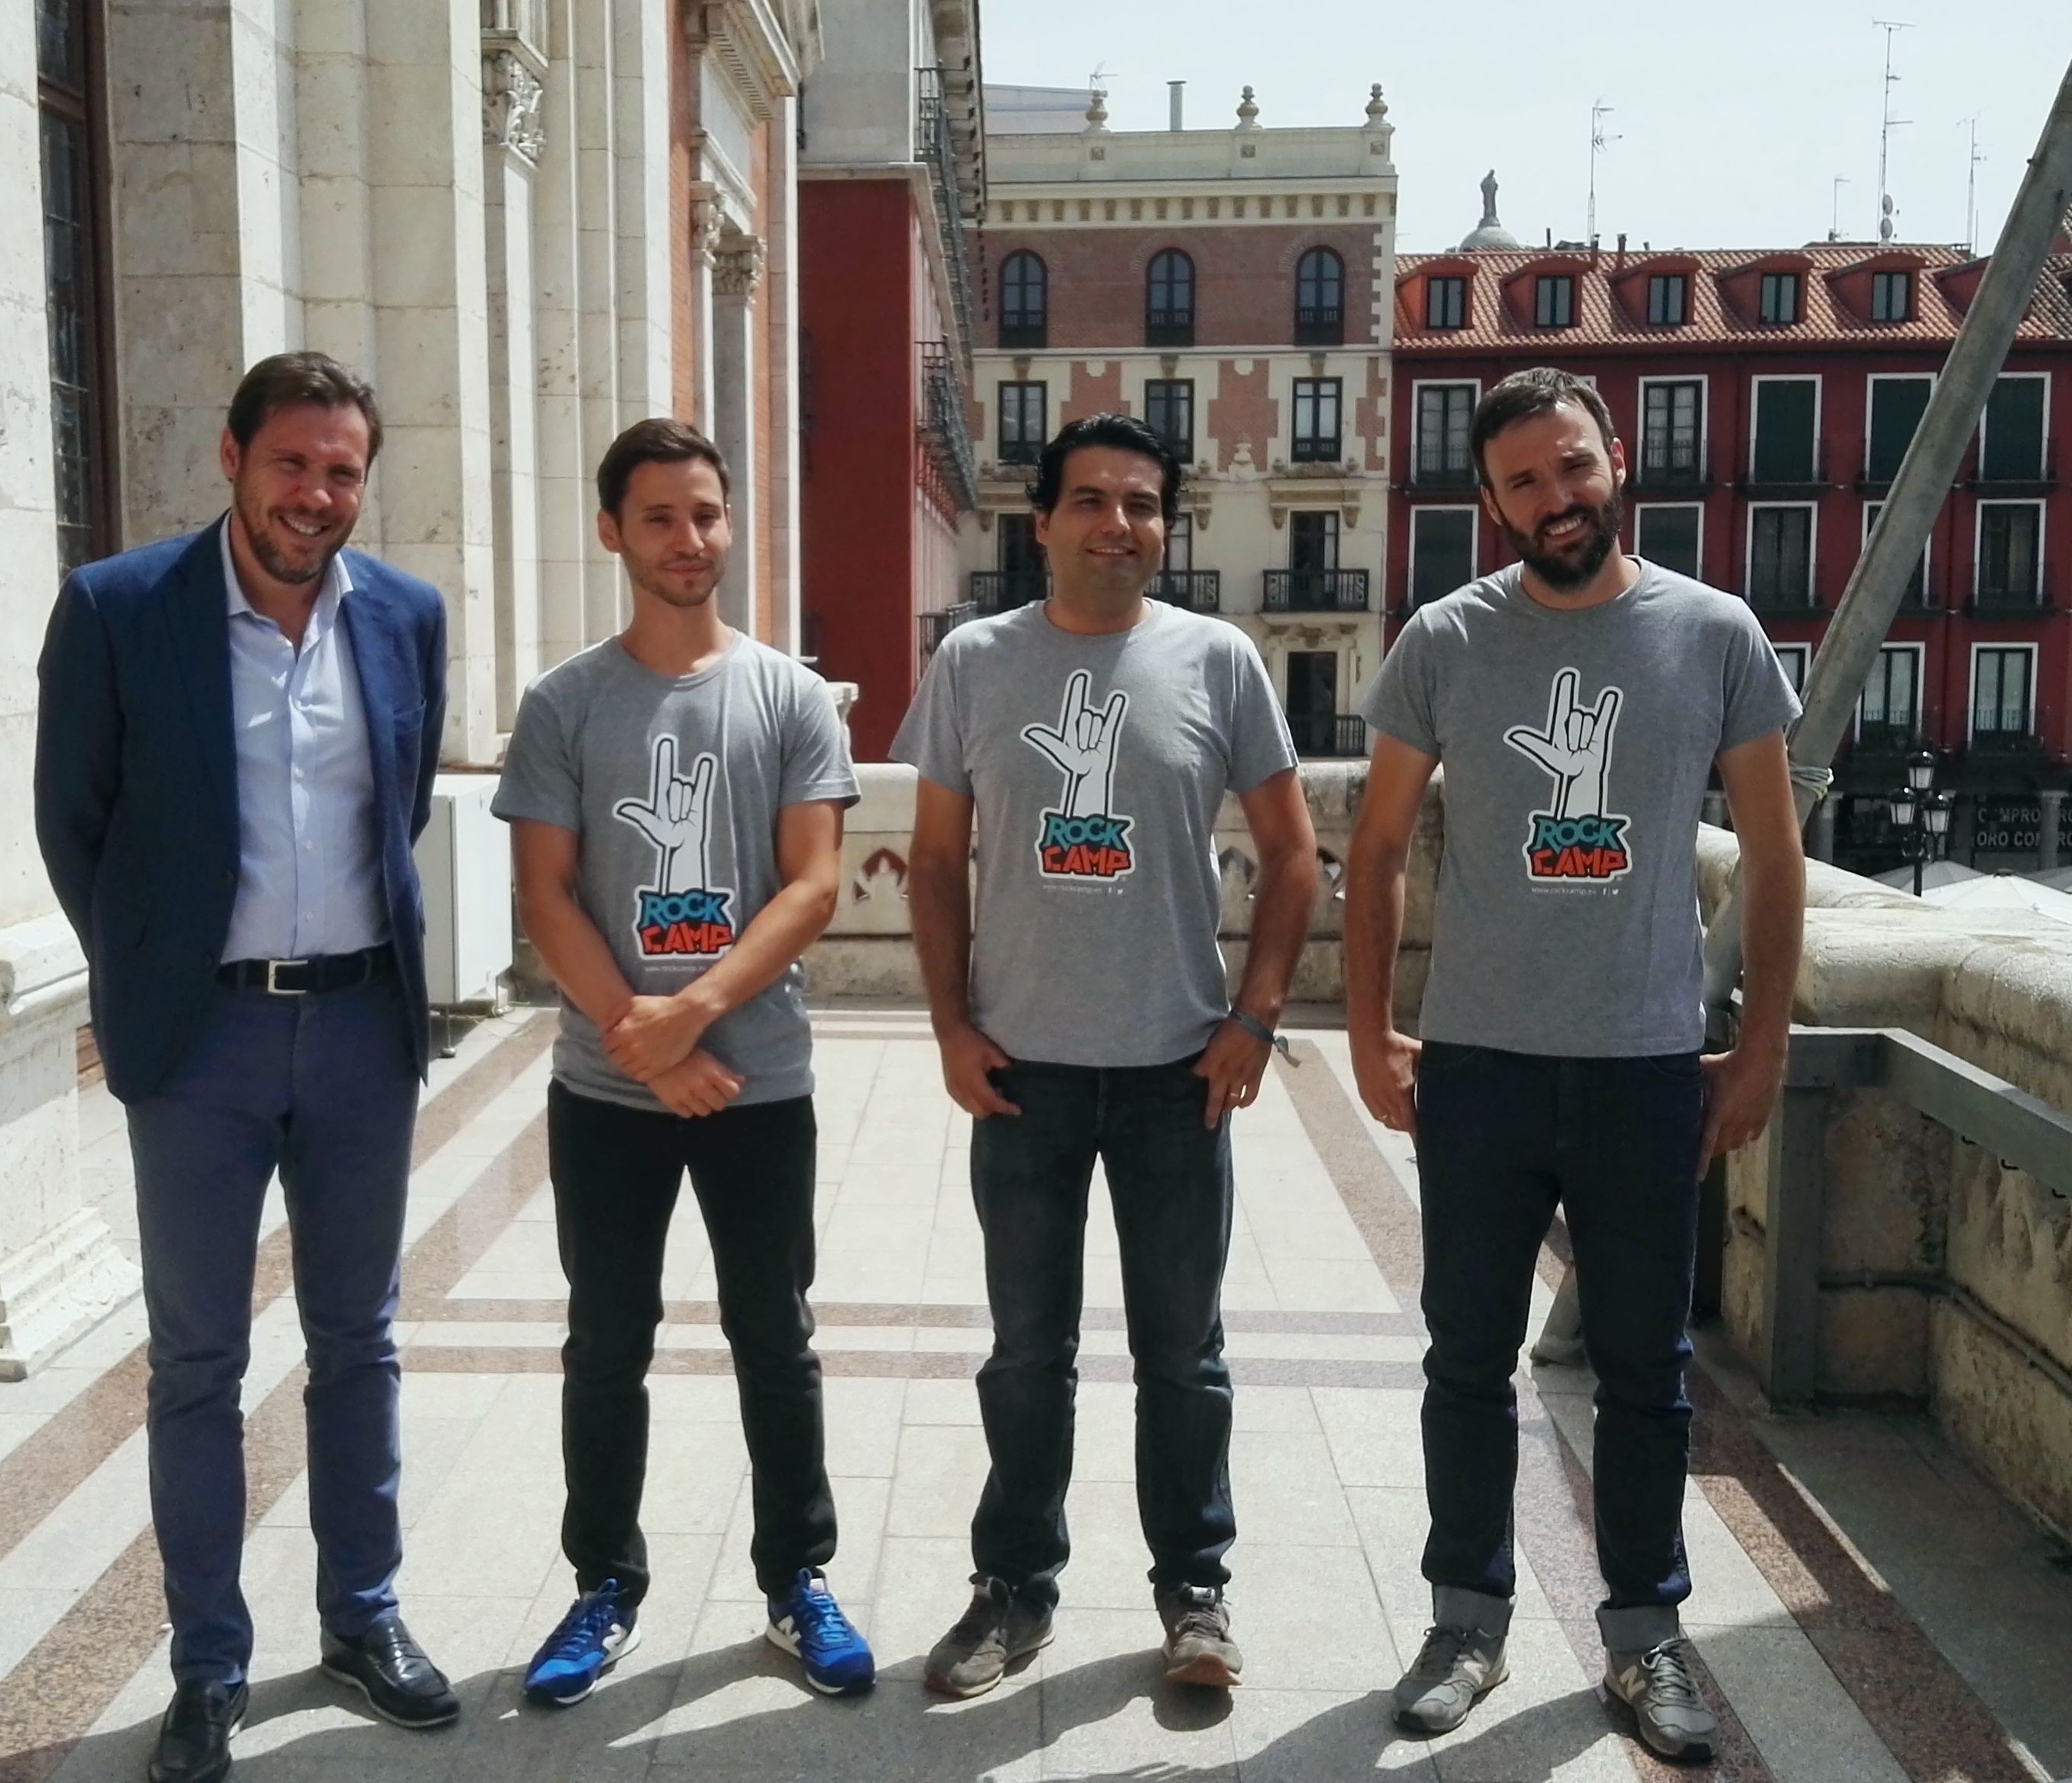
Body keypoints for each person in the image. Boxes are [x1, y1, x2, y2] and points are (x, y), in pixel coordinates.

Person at [1343, 366, 1806, 1763]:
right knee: (1465, 1360)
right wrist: (1366, 1033)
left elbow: (1773, 856)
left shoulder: (1713, 634)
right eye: (1524, 482)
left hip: (1644, 1067)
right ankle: (1465, 1623)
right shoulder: (1445, 640)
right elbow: (1377, 848)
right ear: (1493, 504)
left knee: (1646, 1371)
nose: (1555, 498)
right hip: (1479, 1067)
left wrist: (1761, 1047)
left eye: (1572, 467)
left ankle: (1643, 1637)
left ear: (1615, 462)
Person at [35, 352, 458, 1783]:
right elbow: (73, 821)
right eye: (292, 463)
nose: (315, 496)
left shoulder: (403, 616)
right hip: (198, 1042)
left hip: (357, 1030)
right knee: (199, 1361)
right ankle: (207, 1664)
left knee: (358, 1341)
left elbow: (398, 805)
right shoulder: (118, 609)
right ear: (231, 459)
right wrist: (149, 975)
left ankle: (362, 1618)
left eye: (342, 471)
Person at [894, 412, 1320, 1696]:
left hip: (1174, 1071)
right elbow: (930, 862)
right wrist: (950, 1025)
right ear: (1041, 523)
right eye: (1089, 500)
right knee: (1027, 1354)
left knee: (1182, 1356)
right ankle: (1013, 1589)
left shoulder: (1217, 661)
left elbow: (1293, 852)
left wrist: (1253, 1018)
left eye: (1140, 504)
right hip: (1019, 1073)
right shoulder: (975, 662)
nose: (1116, 524)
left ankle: (1195, 1592)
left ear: (1162, 526)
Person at [494, 418, 873, 1705]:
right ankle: (603, 1584)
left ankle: (796, 1580)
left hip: (757, 1079)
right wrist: (644, 1047)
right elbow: (545, 896)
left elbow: (811, 885)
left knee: (776, 1337)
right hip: (606, 1090)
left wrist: (691, 1015)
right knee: (607, 1342)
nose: (687, 539)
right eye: (657, 516)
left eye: (704, 513)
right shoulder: (565, 704)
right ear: (612, 530)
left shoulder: (787, 696)